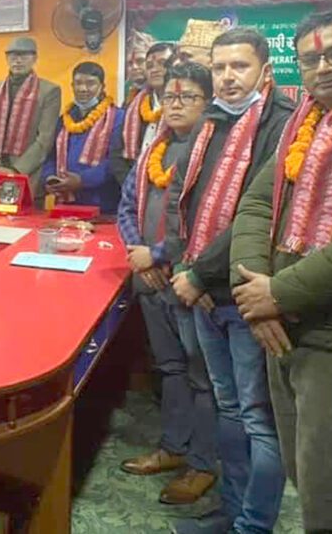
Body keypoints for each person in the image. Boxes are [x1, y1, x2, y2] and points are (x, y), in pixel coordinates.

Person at [231, 9, 332, 534]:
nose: (322, 67)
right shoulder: (306, 122)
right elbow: (256, 205)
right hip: (283, 329)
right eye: (309, 59)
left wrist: (278, 293)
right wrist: (252, 291)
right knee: (306, 482)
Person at [166, 28, 294, 534]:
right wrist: (185, 266)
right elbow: (184, 200)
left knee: (259, 418)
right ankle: (232, 513)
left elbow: (255, 215)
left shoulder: (282, 124)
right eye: (219, 67)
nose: (227, 77)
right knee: (229, 410)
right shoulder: (213, 120)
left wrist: (199, 272)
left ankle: (254, 526)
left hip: (245, 294)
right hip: (204, 296)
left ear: (265, 70)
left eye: (239, 66)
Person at [117, 61, 217, 505]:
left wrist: (159, 255)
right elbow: (126, 206)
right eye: (170, 97)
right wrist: (141, 254)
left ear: (207, 102)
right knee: (170, 368)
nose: (175, 105)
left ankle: (203, 464)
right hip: (150, 280)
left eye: (188, 97)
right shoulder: (153, 148)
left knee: (202, 378)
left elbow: (208, 220)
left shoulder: (212, 151)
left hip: (189, 283)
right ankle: (174, 447)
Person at [0, 36, 62, 197]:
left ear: (35, 58)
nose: (18, 60)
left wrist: (16, 171)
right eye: (13, 55)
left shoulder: (49, 91)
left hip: (28, 173)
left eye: (24, 56)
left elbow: (45, 139)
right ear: (6, 58)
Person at [41, 61, 124, 213]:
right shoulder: (65, 119)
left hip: (104, 204)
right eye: (78, 83)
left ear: (102, 86)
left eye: (90, 83)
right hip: (66, 203)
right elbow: (51, 156)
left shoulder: (118, 118)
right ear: (72, 86)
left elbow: (116, 161)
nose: (83, 89)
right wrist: (50, 178)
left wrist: (82, 180)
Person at [110, 42, 177, 185]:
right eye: (150, 66)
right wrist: (129, 183)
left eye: (162, 63)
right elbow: (116, 152)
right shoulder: (133, 106)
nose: (155, 70)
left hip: (168, 183)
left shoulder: (182, 106)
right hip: (132, 185)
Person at [124, 30, 157, 104]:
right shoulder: (130, 99)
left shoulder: (161, 95)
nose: (134, 67)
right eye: (130, 63)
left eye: (140, 61)